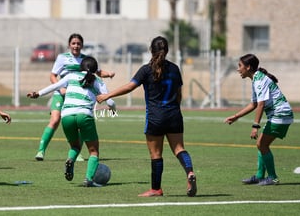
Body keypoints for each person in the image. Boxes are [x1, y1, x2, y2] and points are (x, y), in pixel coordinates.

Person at [97, 36, 197, 197]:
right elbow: (179, 95)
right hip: (174, 115)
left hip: (156, 117)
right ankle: (190, 172)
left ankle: (156, 189)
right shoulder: (175, 69)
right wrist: (174, 108)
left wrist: (107, 95)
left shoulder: (146, 69)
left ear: (151, 50)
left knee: (156, 154)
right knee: (179, 149)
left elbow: (130, 87)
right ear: (167, 50)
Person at [28, 56, 116, 187]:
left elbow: (55, 86)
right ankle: (89, 179)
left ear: (81, 67)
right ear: (95, 69)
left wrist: (38, 93)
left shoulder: (71, 76)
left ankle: (70, 160)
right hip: (84, 115)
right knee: (93, 151)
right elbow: (110, 101)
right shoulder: (98, 81)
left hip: (67, 116)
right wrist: (113, 109)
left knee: (75, 146)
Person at [34, 33, 115, 161]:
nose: (76, 46)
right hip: (61, 93)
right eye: (73, 43)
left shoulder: (86, 59)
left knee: (79, 122)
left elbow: (97, 71)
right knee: (55, 120)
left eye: (78, 43)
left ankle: (77, 153)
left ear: (82, 45)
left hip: (78, 94)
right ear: (69, 45)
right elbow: (52, 76)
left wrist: (108, 74)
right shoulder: (62, 57)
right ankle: (41, 150)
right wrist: (60, 89)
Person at [224, 54, 293, 186]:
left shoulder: (260, 80)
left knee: (262, 144)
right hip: (280, 114)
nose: (238, 69)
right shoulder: (256, 79)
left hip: (280, 114)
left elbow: (261, 104)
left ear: (248, 67)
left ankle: (272, 177)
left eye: (240, 66)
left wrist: (255, 126)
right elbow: (253, 104)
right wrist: (236, 116)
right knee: (261, 145)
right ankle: (260, 176)